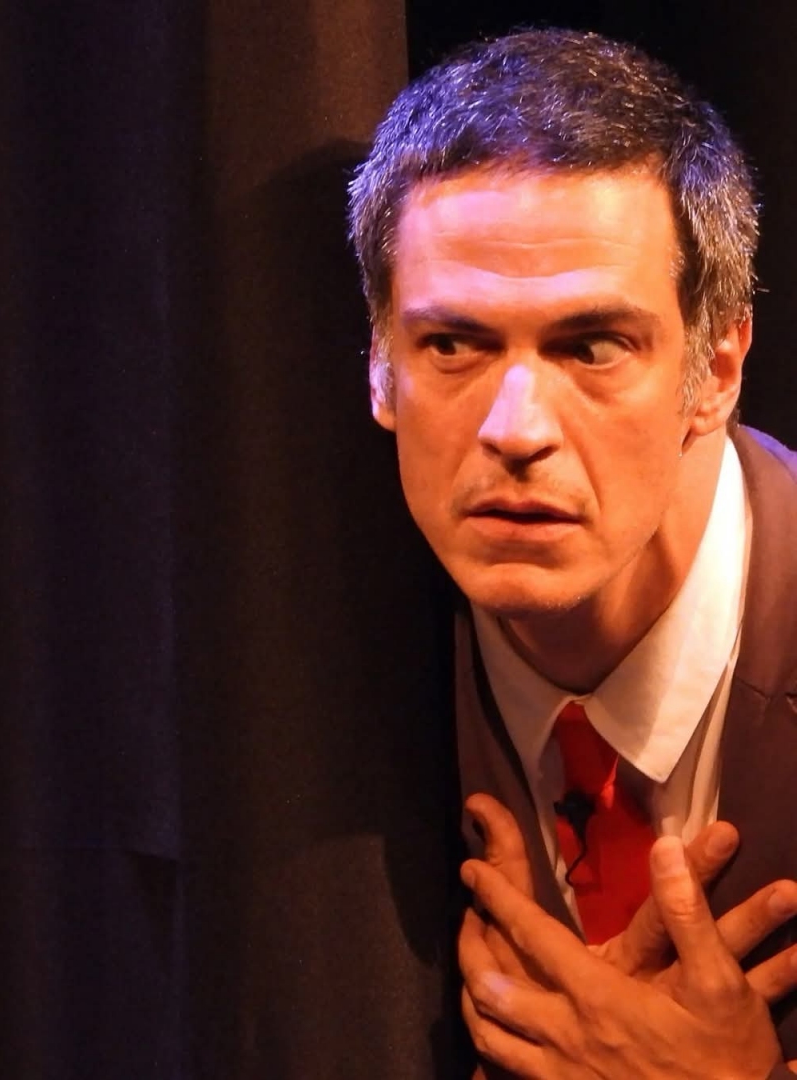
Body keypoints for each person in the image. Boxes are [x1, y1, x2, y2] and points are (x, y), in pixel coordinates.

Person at [348, 27, 797, 1079]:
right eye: (452, 344)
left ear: (717, 368)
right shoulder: (314, 662)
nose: (516, 428)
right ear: (379, 368)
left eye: (591, 346)